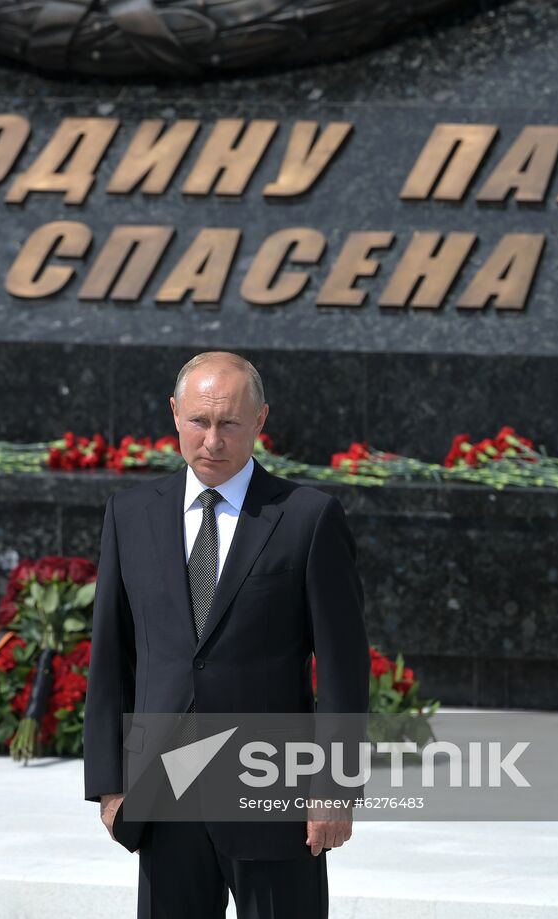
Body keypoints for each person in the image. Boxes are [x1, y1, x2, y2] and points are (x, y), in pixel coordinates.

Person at [82, 350, 371, 918]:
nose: (212, 440)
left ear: (260, 421)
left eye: (229, 424)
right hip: (162, 790)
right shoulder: (130, 513)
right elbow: (113, 657)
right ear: (174, 414)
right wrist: (109, 785)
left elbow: (343, 667)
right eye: (199, 421)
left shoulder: (308, 518)